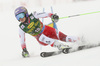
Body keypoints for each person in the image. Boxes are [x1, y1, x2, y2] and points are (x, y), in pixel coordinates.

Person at [14, 6, 80, 58]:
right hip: (40, 38)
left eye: (21, 15)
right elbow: (22, 40)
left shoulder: (33, 15)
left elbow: (45, 14)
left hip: (47, 30)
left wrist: (52, 16)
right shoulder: (21, 27)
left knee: (64, 37)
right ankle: (59, 45)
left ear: (26, 14)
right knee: (41, 37)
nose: (20, 18)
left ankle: (79, 39)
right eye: (17, 17)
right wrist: (24, 49)